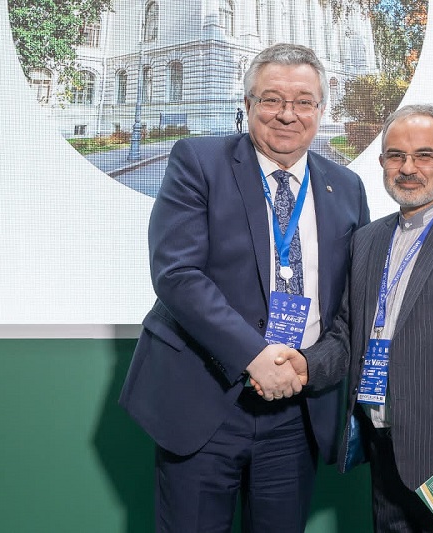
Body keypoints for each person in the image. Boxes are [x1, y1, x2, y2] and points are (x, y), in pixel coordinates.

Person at [119, 43, 370, 533]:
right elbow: (177, 273)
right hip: (205, 401)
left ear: (321, 110)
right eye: (272, 99)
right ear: (248, 104)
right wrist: (254, 356)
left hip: (297, 411)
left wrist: (309, 366)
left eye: (303, 102)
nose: (287, 114)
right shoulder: (198, 161)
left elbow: (350, 305)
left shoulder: (347, 187)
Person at [267, 104, 433, 532]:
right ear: (382, 162)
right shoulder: (367, 241)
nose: (408, 168)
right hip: (382, 455)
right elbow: (348, 333)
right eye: (396, 156)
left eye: (424, 155)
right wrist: (307, 364)